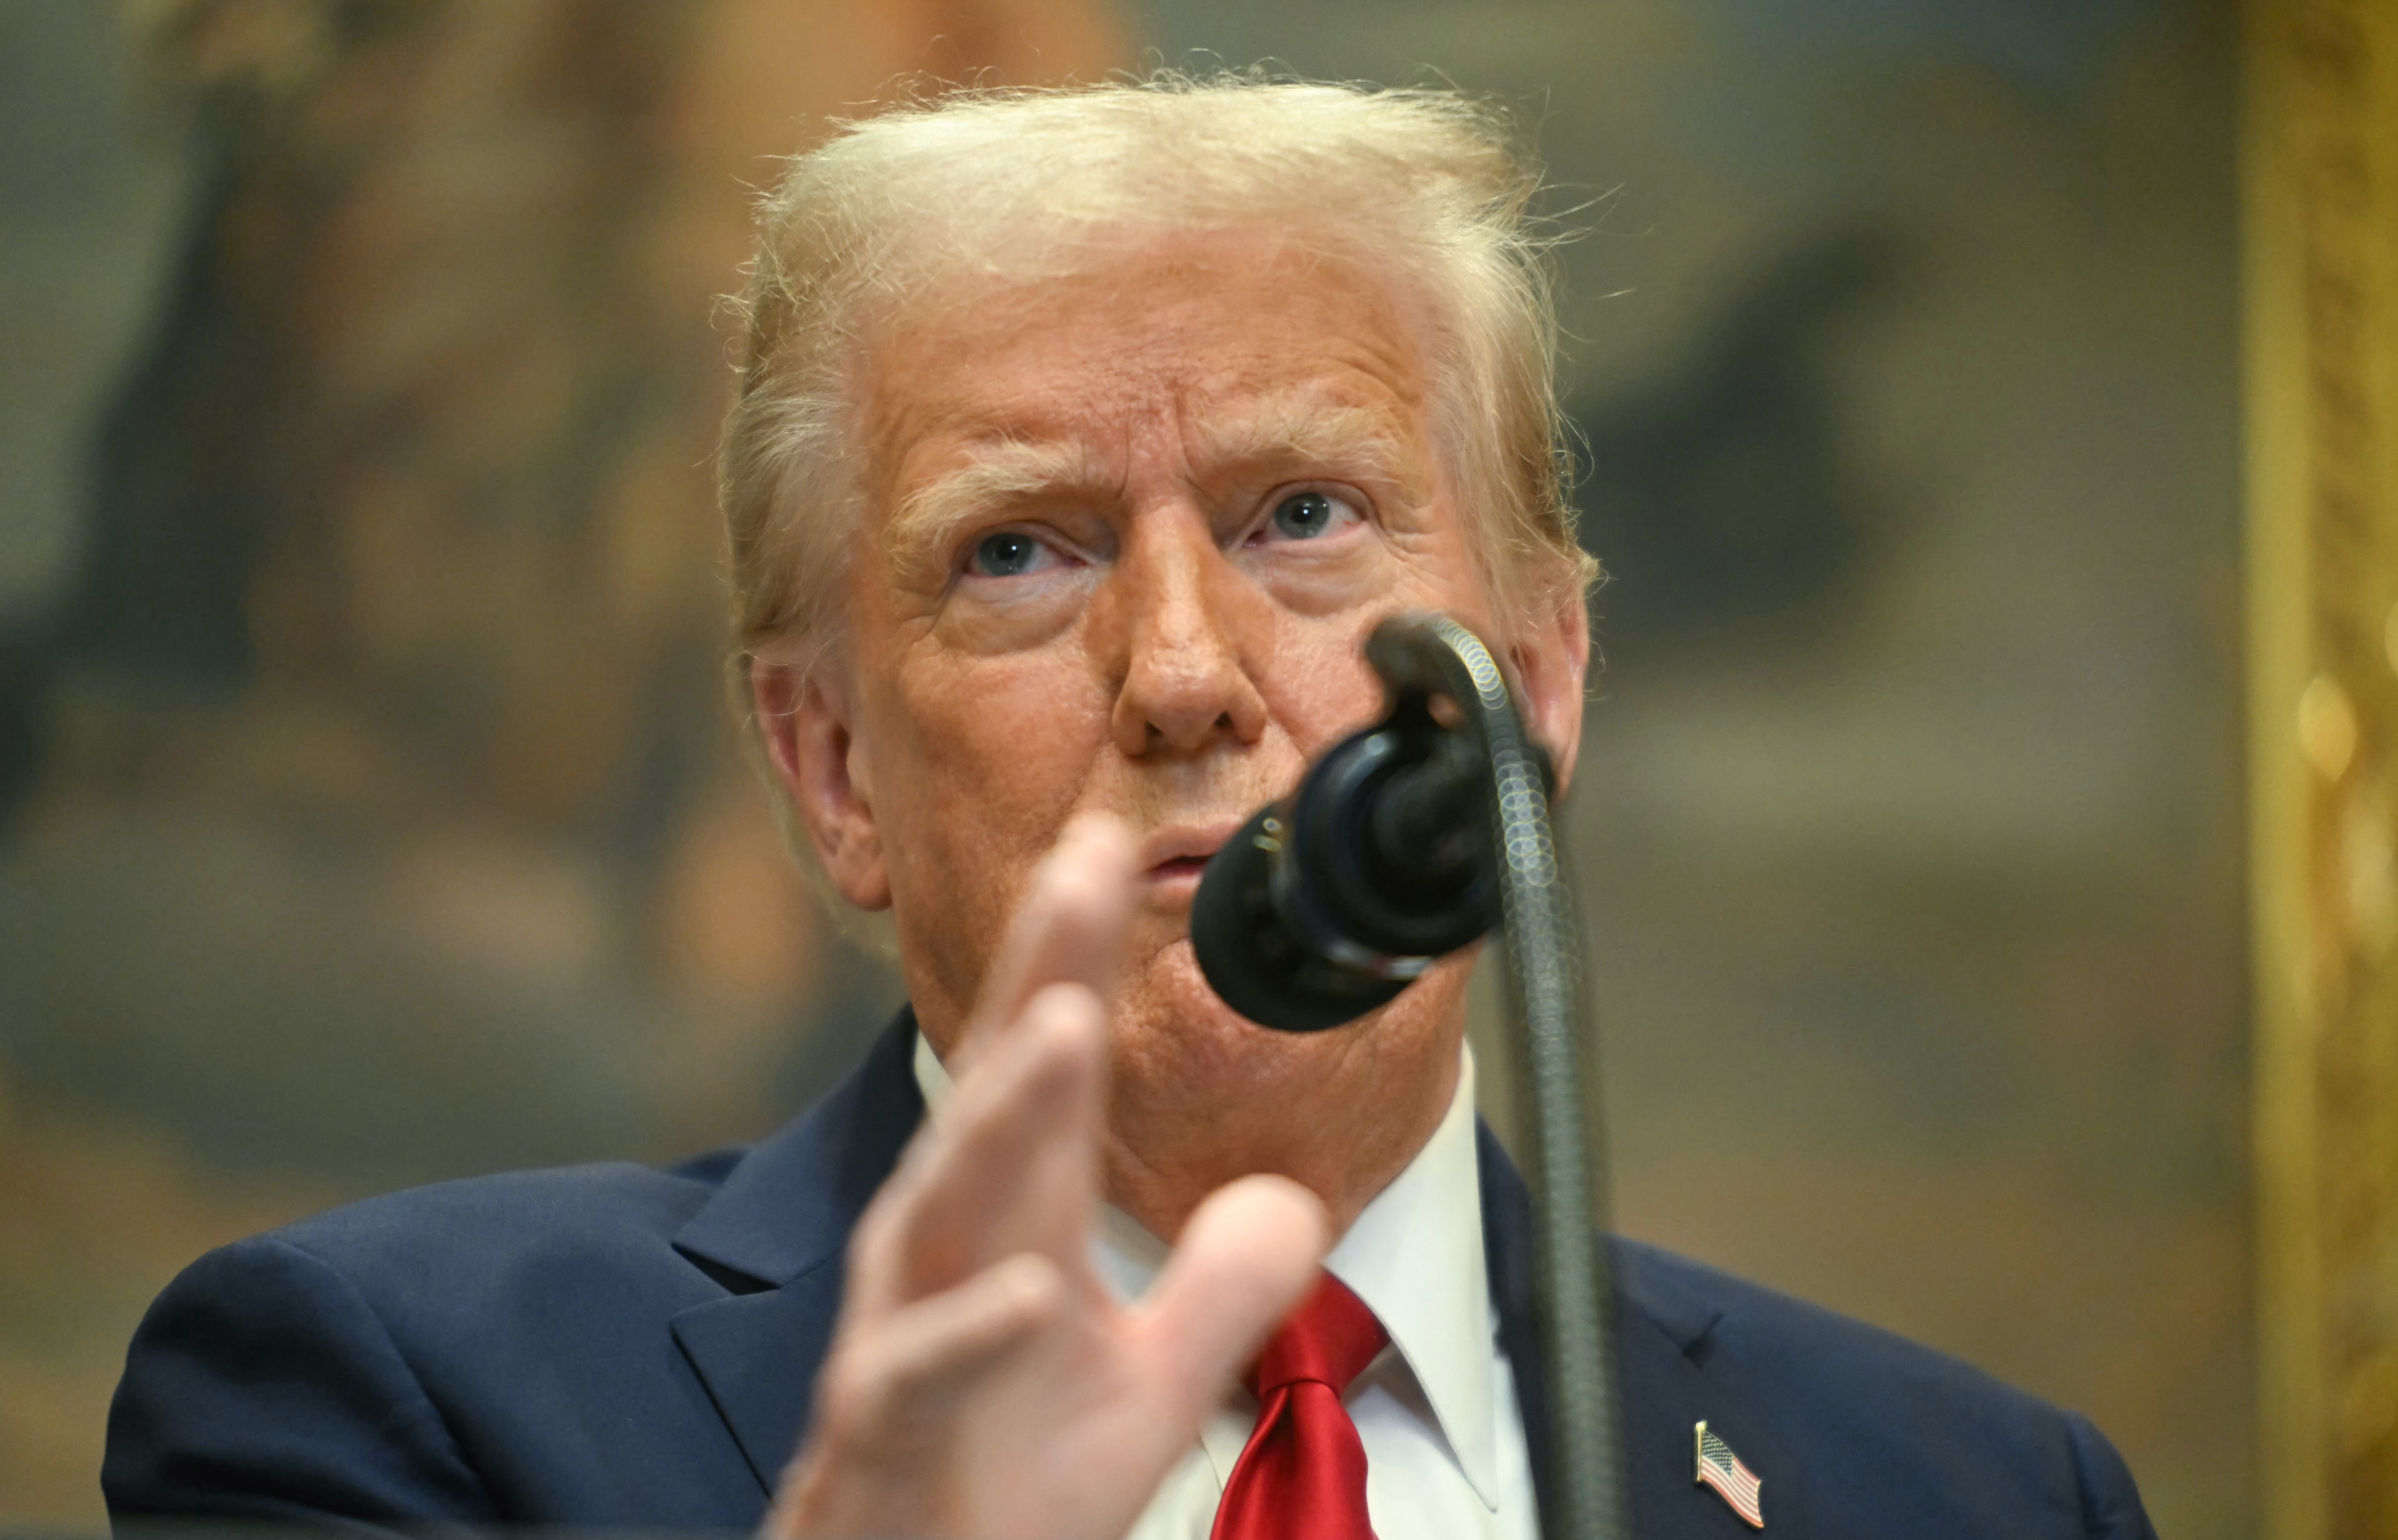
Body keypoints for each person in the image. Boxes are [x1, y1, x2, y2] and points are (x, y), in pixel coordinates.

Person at [105, 78, 2158, 1540]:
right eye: (1017, 552)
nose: (1182, 673)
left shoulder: (1976, 1494)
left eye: (1307, 516)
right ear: (831, 769)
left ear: (1534, 690)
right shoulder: (388, 1403)